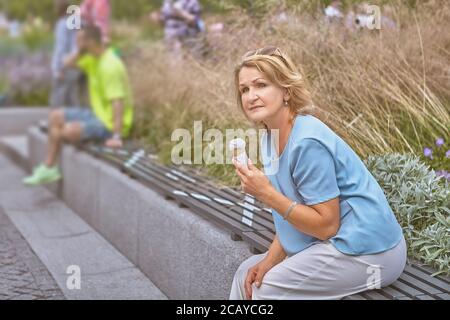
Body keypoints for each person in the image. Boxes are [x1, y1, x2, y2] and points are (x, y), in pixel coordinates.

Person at [229, 46, 406, 300]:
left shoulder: (306, 142)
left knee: (266, 291)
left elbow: (326, 225)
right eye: (244, 89)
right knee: (246, 275)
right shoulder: (271, 137)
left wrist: (266, 193)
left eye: (261, 85)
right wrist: (269, 260)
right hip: (334, 243)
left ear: (286, 91)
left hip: (372, 252)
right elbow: (295, 208)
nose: (251, 96)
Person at [23, 24, 134, 186]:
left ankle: (50, 162)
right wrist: (80, 50)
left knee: (67, 130)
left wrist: (116, 136)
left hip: (109, 124)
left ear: (90, 41)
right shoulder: (93, 59)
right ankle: (49, 168)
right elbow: (67, 63)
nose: (76, 45)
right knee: (56, 116)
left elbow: (117, 103)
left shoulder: (110, 65)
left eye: (79, 41)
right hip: (97, 113)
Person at [50, 0, 81, 108]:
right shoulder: (75, 23)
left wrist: (59, 68)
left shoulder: (62, 24)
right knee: (72, 100)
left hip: (64, 66)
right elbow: (76, 46)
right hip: (74, 64)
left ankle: (56, 123)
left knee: (58, 102)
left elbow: (61, 47)